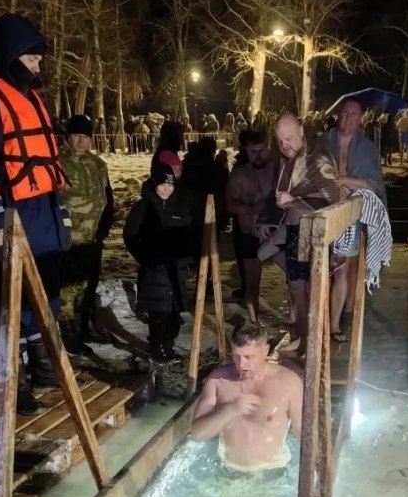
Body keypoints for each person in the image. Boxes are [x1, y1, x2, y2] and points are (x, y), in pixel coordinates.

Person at [0, 13, 71, 414]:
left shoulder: (31, 98)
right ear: (12, 55)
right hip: (14, 209)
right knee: (10, 302)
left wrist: (60, 212)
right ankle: (13, 378)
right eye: (32, 58)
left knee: (46, 297)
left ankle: (45, 366)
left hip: (43, 209)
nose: (38, 66)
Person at [258, 113, 339, 355]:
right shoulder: (284, 160)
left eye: (289, 138)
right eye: (280, 140)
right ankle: (304, 338)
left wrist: (293, 201)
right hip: (292, 230)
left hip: (313, 233)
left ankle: (314, 342)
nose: (285, 145)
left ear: (301, 131)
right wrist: (268, 219)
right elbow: (277, 195)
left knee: (312, 288)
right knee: (295, 288)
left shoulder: (318, 158)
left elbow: (333, 196)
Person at [190, 321, 302, 472]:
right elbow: (197, 434)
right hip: (228, 470)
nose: (241, 364)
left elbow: (305, 436)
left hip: (272, 472)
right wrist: (230, 410)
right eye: (236, 356)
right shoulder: (218, 379)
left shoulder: (289, 383)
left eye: (249, 357)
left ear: (266, 350)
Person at [320, 99, 386, 341]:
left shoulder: (367, 149)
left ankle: (335, 325)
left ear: (360, 119)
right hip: (322, 211)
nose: (348, 118)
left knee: (342, 270)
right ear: (338, 115)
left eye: (354, 114)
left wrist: (342, 181)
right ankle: (318, 319)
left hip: (349, 216)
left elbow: (373, 184)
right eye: (345, 113)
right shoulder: (321, 143)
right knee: (319, 270)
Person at [123, 162, 200, 362]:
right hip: (154, 272)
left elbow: (192, 237)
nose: (166, 189)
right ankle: (158, 348)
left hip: (177, 270)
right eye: (162, 185)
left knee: (174, 312)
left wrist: (190, 260)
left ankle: (168, 345)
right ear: (154, 184)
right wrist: (146, 257)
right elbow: (130, 235)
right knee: (158, 314)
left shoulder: (182, 207)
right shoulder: (143, 207)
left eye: (170, 185)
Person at [58, 114, 115, 354]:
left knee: (89, 284)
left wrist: (105, 226)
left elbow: (108, 196)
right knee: (68, 288)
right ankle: (67, 332)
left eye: (85, 136)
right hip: (70, 238)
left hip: (93, 236)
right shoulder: (58, 163)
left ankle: (84, 326)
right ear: (68, 137)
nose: (81, 140)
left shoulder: (98, 164)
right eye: (76, 135)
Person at [226, 130, 274, 322]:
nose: (258, 155)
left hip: (272, 234)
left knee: (294, 278)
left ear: (267, 148)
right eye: (253, 152)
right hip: (248, 234)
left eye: (261, 150)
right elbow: (230, 203)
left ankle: (295, 323)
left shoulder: (275, 170)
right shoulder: (240, 174)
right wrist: (252, 208)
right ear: (247, 150)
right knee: (252, 283)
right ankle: (254, 324)